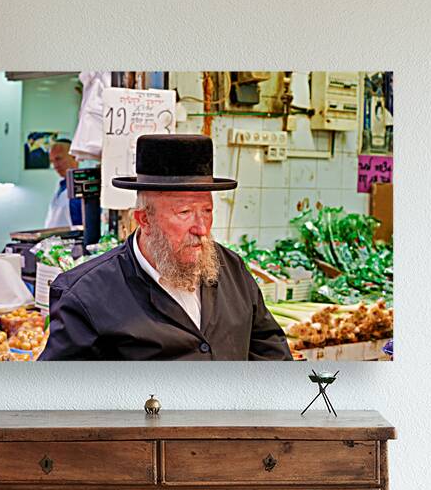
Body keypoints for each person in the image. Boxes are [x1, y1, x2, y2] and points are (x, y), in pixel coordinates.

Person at [39, 134, 292, 361]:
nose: (201, 228)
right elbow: (61, 400)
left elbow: (271, 356)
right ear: (144, 219)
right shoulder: (85, 296)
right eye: (184, 212)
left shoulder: (232, 269)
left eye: (207, 211)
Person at [43, 138, 83, 228]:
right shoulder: (62, 186)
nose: (55, 166)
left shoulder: (82, 186)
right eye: (52, 161)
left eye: (58, 159)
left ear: (74, 157)